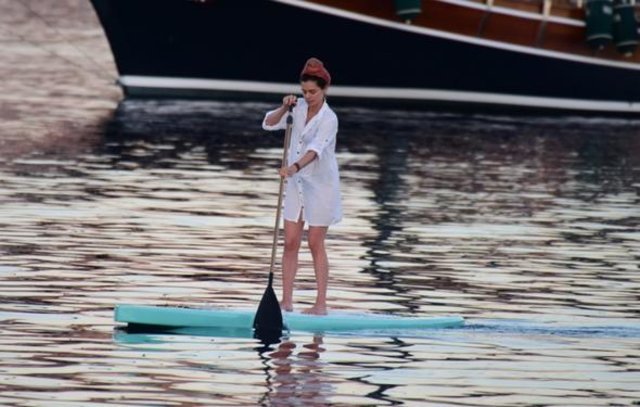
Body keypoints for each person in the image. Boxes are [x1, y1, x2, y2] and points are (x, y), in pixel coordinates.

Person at [262, 57, 342, 315]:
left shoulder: (329, 119)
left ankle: (320, 305)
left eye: (313, 92)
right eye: (304, 91)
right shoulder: (295, 109)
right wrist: (284, 107)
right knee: (290, 242)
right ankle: (286, 301)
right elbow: (268, 123)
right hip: (296, 183)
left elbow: (315, 151)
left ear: (324, 89)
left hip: (321, 185)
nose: (307, 96)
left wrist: (293, 167)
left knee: (315, 242)